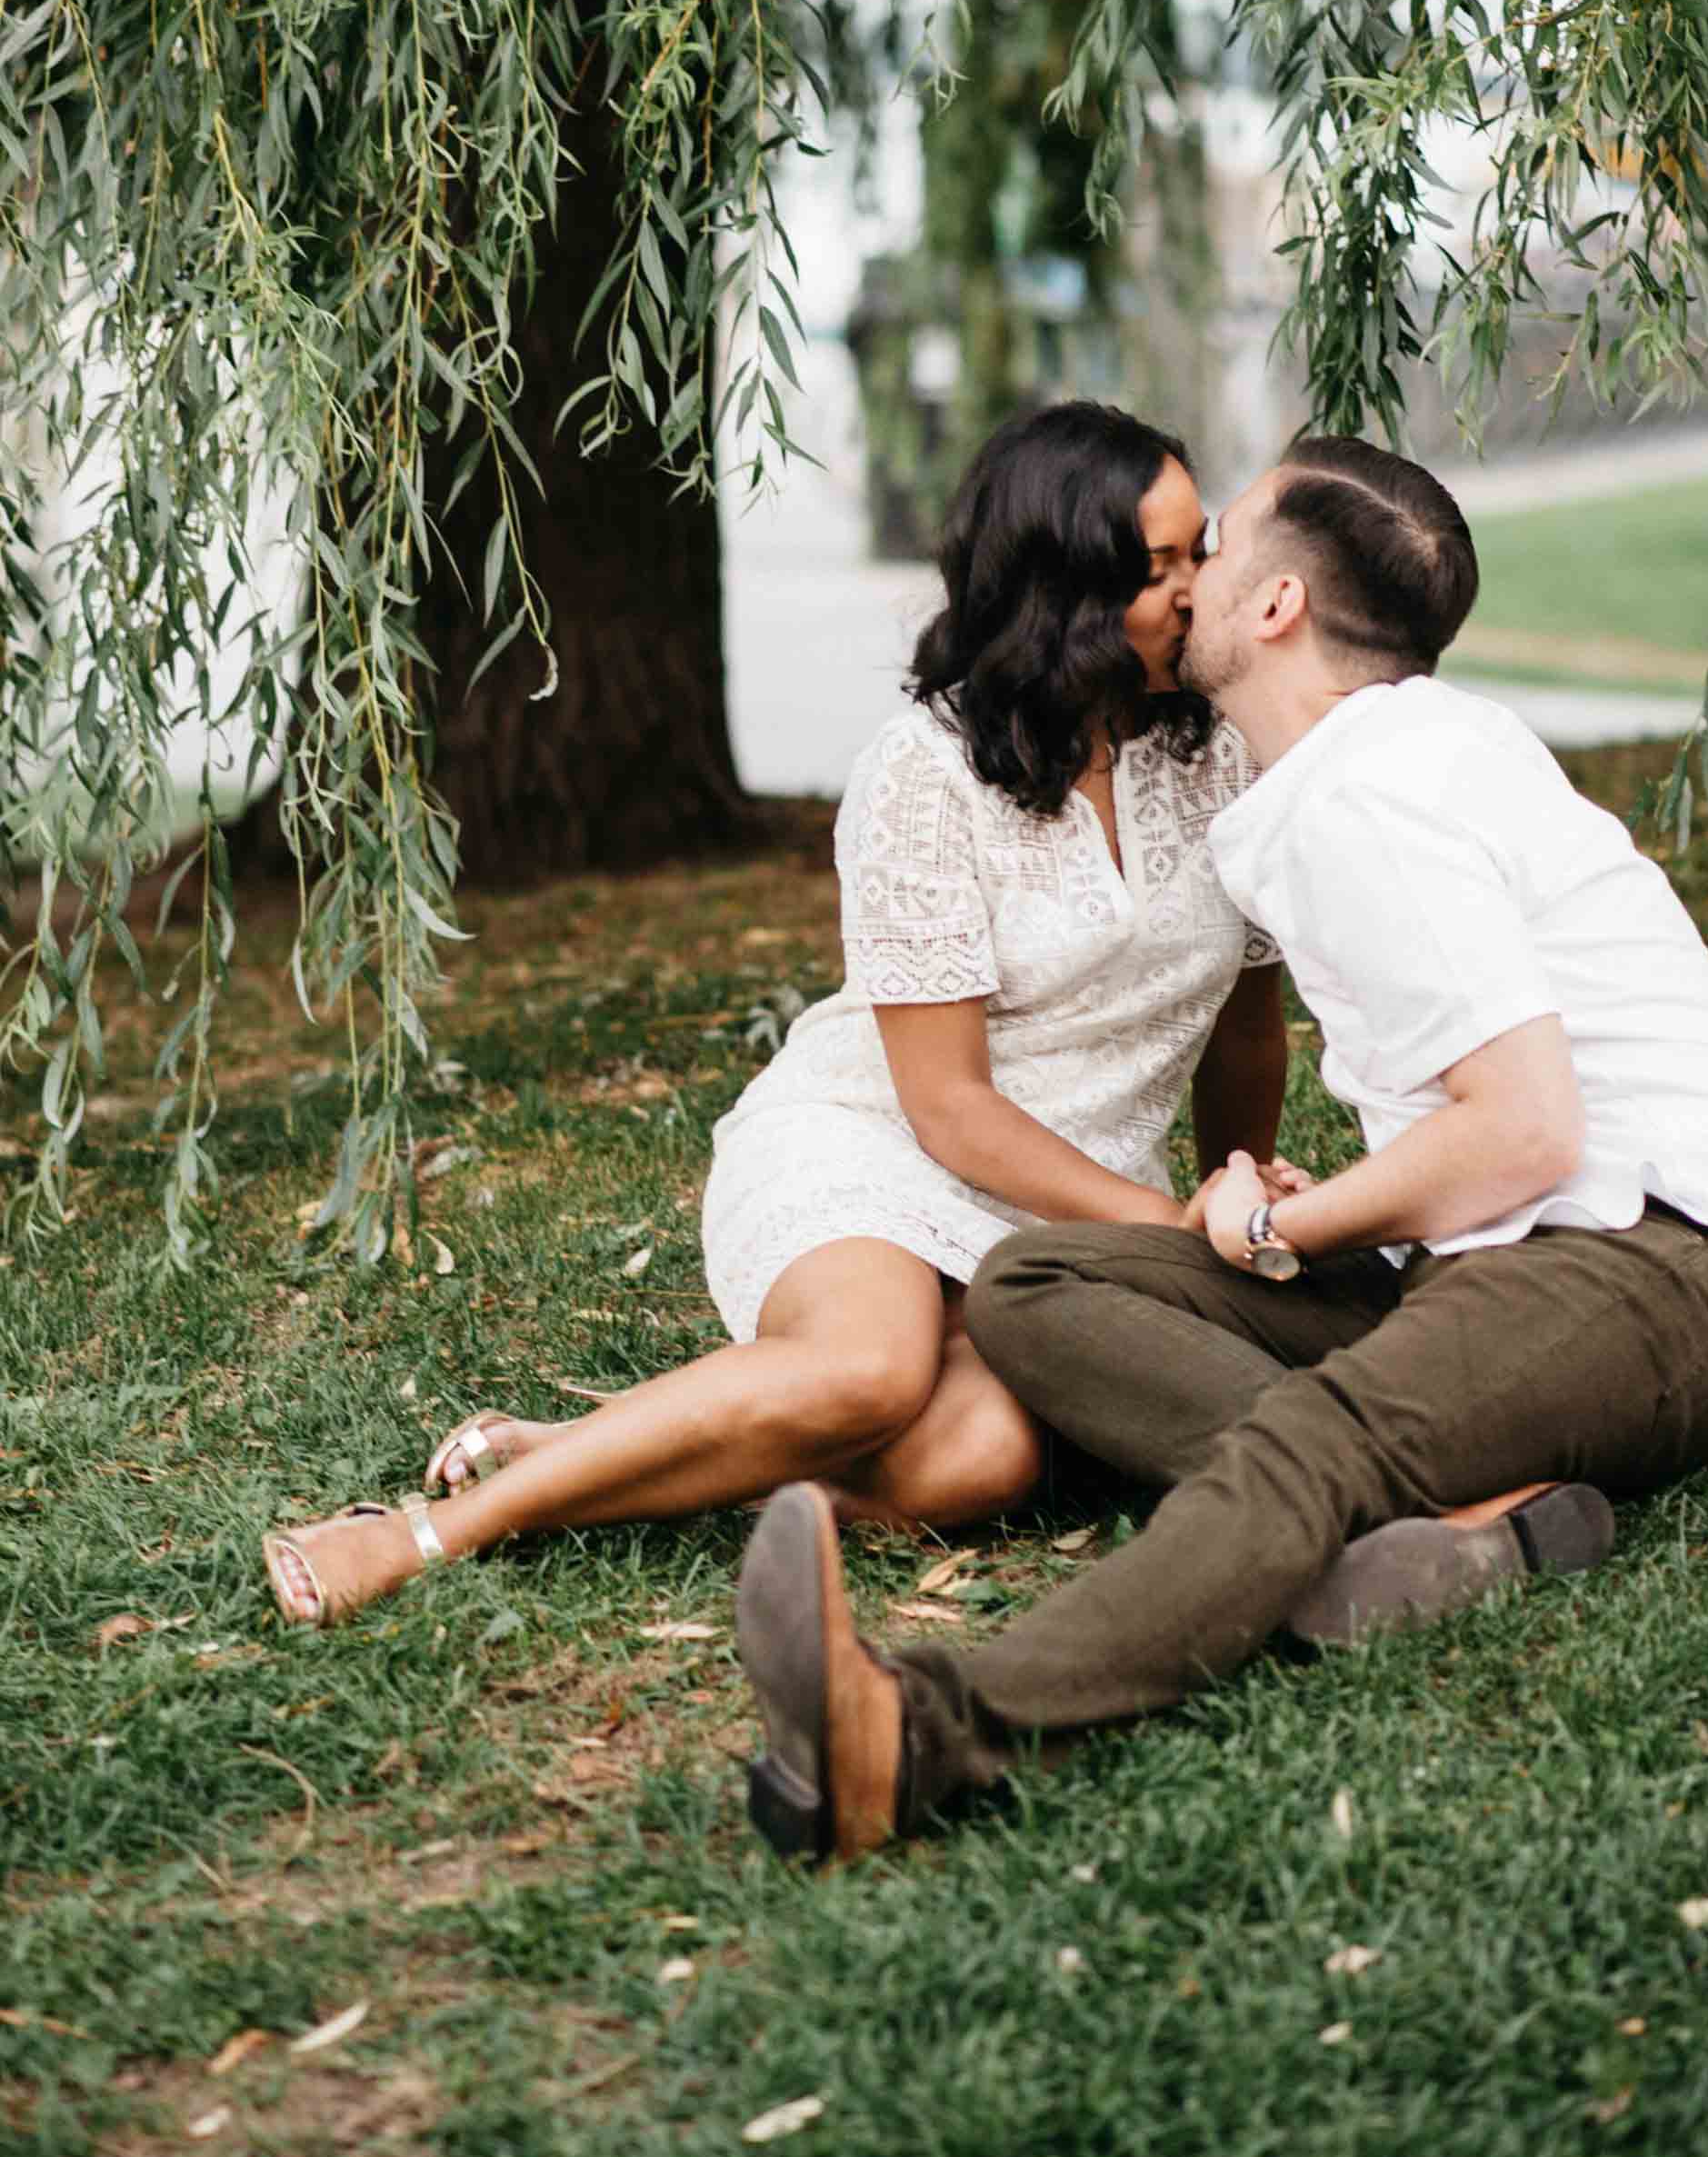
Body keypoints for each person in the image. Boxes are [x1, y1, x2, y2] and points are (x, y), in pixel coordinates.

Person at [732, 435, 1708, 1864]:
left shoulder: (1367, 797)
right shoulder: (1375, 766)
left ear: (1276, 610)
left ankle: (926, 1730)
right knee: (1042, 1283)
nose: (1183, 581)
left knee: (1322, 1437)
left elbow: (1530, 1124)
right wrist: (1320, 1206)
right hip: (1517, 1244)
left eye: (1221, 541)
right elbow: (1498, 1125)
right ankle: (1436, 1540)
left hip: (1675, 1262)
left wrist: (1287, 1230)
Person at [263, 401, 1292, 1625]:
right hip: (878, 1154)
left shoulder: (1227, 755)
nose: (1195, 592)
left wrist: (1238, 1181)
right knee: (871, 1372)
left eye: (1198, 552)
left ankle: (605, 1451)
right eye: (1158, 567)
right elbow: (950, 1112)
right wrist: (1171, 1226)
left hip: (1069, 1210)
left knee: (977, 1465)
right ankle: (440, 1529)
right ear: (1062, 591)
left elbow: (1245, 1023)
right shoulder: (927, 774)